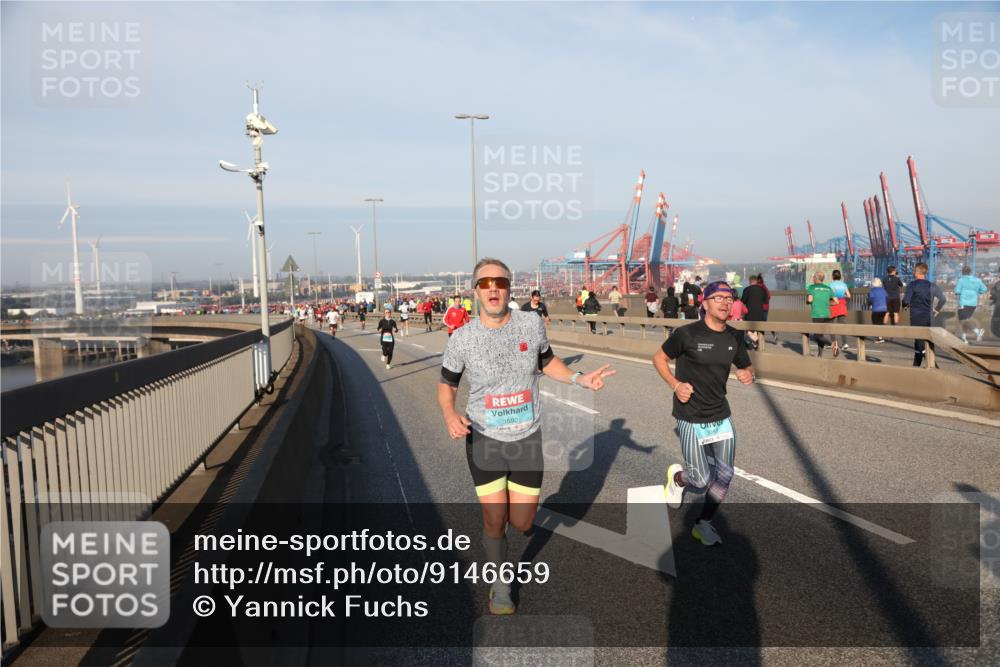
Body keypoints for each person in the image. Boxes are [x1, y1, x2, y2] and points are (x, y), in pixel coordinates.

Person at [439, 258, 615, 614]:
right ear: (475, 291)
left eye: (500, 283)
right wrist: (449, 414)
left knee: (522, 522)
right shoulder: (462, 338)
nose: (493, 288)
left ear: (509, 289)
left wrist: (580, 379)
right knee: (494, 518)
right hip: (484, 438)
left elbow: (547, 362)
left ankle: (510, 535)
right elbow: (447, 385)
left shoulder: (531, 324)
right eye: (485, 283)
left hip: (526, 439)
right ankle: (500, 583)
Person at [656, 281, 754, 546]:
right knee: (699, 479)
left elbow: (745, 365)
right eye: (718, 297)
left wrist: (746, 373)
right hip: (691, 416)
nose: (725, 302)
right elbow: (659, 358)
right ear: (705, 303)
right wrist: (676, 385)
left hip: (720, 414)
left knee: (724, 475)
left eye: (729, 297)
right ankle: (677, 478)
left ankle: (703, 524)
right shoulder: (687, 334)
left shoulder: (734, 336)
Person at [903, 263, 946, 367]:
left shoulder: (912, 285)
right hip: (929, 318)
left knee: (919, 343)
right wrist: (937, 309)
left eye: (914, 271)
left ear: (917, 273)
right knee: (927, 343)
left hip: (916, 317)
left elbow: (905, 301)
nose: (913, 273)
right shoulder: (932, 285)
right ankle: (919, 368)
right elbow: (943, 299)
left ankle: (932, 368)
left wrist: (905, 306)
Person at [806, 271, 837, 357]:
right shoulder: (828, 288)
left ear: (816, 278)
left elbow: (810, 300)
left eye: (813, 277)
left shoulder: (811, 287)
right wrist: (827, 303)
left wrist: (808, 301)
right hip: (827, 314)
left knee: (817, 336)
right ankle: (820, 355)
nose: (812, 278)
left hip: (817, 314)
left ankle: (831, 344)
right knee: (821, 335)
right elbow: (836, 301)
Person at [953, 266, 987, 343]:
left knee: (963, 321)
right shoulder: (978, 280)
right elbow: (984, 289)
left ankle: (978, 331)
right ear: (970, 272)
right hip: (973, 303)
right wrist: (976, 292)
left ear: (963, 272)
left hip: (964, 303)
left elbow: (957, 291)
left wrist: (959, 291)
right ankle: (964, 338)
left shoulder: (961, 280)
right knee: (965, 320)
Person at [739, 275, 768, 349]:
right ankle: (759, 344)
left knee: (748, 329)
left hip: (750, 314)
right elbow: (765, 301)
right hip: (760, 314)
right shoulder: (762, 290)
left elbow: (743, 301)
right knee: (759, 330)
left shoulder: (747, 290)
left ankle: (752, 343)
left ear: (750, 281)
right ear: (756, 281)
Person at [828, 269, 852, 352]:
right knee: (842, 324)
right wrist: (842, 296)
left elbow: (830, 295)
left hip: (834, 304)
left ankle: (834, 343)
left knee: (831, 324)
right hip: (842, 304)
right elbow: (849, 296)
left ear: (833, 276)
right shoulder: (844, 284)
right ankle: (845, 343)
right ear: (840, 276)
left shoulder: (831, 285)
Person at [867, 278, 888, 343]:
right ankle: (880, 336)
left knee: (875, 323)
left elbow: (871, 299)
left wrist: (870, 304)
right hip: (884, 308)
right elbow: (887, 298)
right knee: (881, 322)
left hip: (876, 309)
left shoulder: (872, 291)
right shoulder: (883, 290)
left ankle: (879, 338)